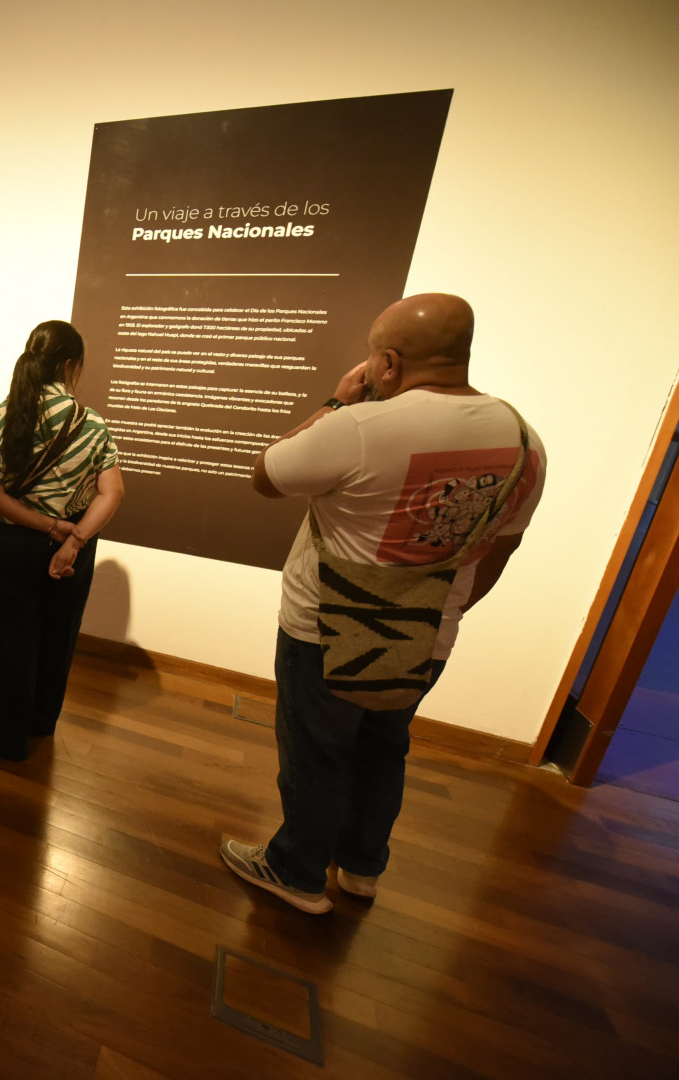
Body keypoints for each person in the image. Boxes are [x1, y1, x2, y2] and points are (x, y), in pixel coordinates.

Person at [220, 293, 546, 913]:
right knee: (384, 746)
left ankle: (297, 872)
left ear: (388, 364)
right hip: (426, 629)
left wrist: (339, 400)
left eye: (375, 362)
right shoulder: (525, 440)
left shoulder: (358, 427)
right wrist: (445, 609)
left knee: (317, 751)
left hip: (325, 626)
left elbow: (266, 474)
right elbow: (504, 548)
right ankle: (363, 866)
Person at [0, 320, 126, 761]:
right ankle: (39, 725)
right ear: (70, 365)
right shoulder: (91, 423)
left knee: (2, 643)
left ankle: (0, 738)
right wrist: (70, 541)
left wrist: (48, 528)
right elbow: (112, 493)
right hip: (71, 549)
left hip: (6, 546)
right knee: (57, 639)